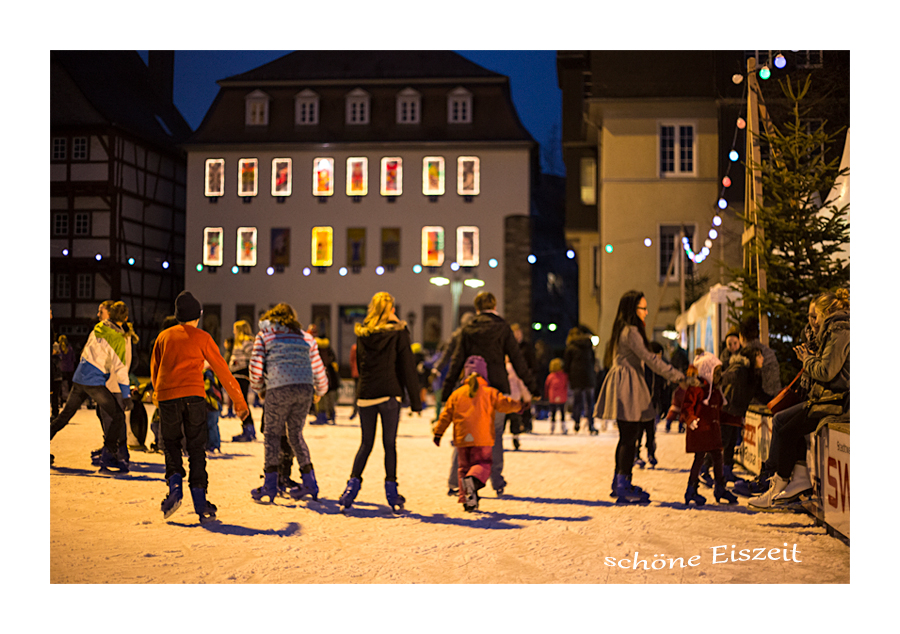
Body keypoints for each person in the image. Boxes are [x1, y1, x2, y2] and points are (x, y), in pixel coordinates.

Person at [152, 291, 250, 523]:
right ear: (198, 316)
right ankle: (199, 498)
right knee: (197, 447)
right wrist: (239, 402)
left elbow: (155, 368)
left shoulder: (163, 337)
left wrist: (157, 394)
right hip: (194, 396)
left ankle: (174, 487)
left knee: (172, 444)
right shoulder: (203, 337)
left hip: (167, 397)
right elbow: (223, 370)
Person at [749, 289, 849, 510]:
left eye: (816, 316)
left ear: (825, 312)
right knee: (782, 421)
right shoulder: (831, 331)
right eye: (810, 317)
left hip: (836, 401)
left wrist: (807, 359)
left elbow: (826, 370)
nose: (813, 321)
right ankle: (796, 478)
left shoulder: (839, 330)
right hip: (826, 397)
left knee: (785, 428)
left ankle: (778, 484)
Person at [439, 291, 537, 497]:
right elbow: (517, 359)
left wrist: (447, 390)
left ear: (476, 308)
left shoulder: (468, 328)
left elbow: (457, 360)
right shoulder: (503, 328)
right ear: (494, 305)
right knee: (496, 435)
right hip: (496, 389)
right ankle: (496, 480)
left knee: (467, 433)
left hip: (471, 390)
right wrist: (532, 387)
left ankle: (454, 482)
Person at [594, 290, 685, 504]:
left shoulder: (622, 331)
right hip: (627, 384)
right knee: (630, 435)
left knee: (627, 435)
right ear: (633, 310)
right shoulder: (631, 332)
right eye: (643, 308)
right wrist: (678, 376)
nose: (646, 312)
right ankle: (623, 483)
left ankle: (619, 481)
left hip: (623, 381)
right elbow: (651, 359)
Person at [338, 292, 422, 512]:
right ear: (391, 310)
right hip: (389, 394)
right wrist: (415, 401)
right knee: (389, 444)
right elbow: (407, 367)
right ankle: (392, 492)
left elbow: (362, 364)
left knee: (366, 444)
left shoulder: (363, 333)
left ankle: (351, 489)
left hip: (366, 393)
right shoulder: (399, 332)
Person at [247, 303, 328, 503]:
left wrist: (259, 389)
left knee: (272, 436)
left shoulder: (264, 335)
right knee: (295, 435)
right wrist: (319, 391)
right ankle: (310, 483)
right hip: (304, 388)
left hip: (278, 386)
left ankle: (270, 485)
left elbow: (256, 368)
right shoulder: (306, 337)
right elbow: (318, 367)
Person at [433, 356, 525, 512]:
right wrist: (519, 406)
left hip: (462, 438)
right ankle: (473, 482)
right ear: (484, 374)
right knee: (482, 463)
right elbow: (505, 404)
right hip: (482, 438)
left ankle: (468, 501)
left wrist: (438, 433)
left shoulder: (457, 394)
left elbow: (446, 415)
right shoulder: (490, 393)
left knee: (463, 468)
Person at [50, 302, 132, 472]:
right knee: (117, 416)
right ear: (124, 318)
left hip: (80, 378)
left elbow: (88, 351)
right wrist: (126, 396)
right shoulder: (118, 337)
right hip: (93, 382)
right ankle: (108, 457)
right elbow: (121, 369)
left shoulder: (99, 327)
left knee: (64, 417)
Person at [680, 353, 739, 506]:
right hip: (700, 431)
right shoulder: (697, 389)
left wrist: (735, 420)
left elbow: (719, 413)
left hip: (712, 432)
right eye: (716, 373)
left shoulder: (715, 391)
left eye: (720, 373)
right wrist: (691, 419)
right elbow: (686, 407)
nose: (720, 377)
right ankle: (691, 489)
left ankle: (720, 487)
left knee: (718, 457)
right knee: (699, 458)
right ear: (707, 372)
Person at [635, 340, 671, 468]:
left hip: (653, 405)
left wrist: (663, 406)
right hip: (641, 406)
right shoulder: (642, 367)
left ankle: (651, 453)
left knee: (651, 432)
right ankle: (636, 454)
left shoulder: (660, 368)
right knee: (639, 431)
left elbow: (663, 389)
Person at [739, 316, 781, 403]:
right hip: (774, 401)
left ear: (742, 337)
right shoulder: (769, 353)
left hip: (753, 405)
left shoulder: (744, 357)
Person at [563, 326, 597, 435]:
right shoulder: (588, 345)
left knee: (577, 401)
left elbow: (567, 364)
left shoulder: (571, 347)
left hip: (576, 376)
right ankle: (591, 424)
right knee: (590, 402)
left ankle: (576, 422)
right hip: (588, 376)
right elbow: (593, 360)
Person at [229, 320, 257, 441]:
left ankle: (248, 429)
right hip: (238, 374)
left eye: (235, 329)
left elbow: (253, 356)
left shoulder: (246, 341)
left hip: (242, 374)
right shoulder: (240, 342)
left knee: (242, 402)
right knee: (241, 402)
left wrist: (247, 370)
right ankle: (247, 428)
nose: (233, 331)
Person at [511, 323, 537, 434]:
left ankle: (527, 423)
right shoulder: (510, 347)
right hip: (512, 377)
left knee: (525, 401)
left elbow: (532, 361)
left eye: (519, 333)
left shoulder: (526, 347)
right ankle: (515, 424)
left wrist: (530, 373)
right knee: (514, 402)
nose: (517, 335)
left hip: (523, 377)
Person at [203, 361, 224, 455]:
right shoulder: (213, 374)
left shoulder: (207, 374)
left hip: (211, 404)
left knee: (211, 425)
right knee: (213, 425)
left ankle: (213, 444)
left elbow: (207, 388)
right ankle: (214, 444)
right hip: (214, 404)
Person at [544, 358, 569, 433]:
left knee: (553, 412)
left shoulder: (550, 376)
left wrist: (546, 395)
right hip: (562, 397)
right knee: (562, 412)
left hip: (553, 397)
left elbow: (546, 386)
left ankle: (552, 427)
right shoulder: (564, 376)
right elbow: (566, 385)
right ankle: (563, 427)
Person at [57, 335, 77, 401]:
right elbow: (73, 359)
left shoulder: (58, 349)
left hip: (61, 369)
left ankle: (61, 399)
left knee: (60, 385)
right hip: (70, 369)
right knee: (70, 385)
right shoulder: (70, 349)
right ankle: (70, 398)